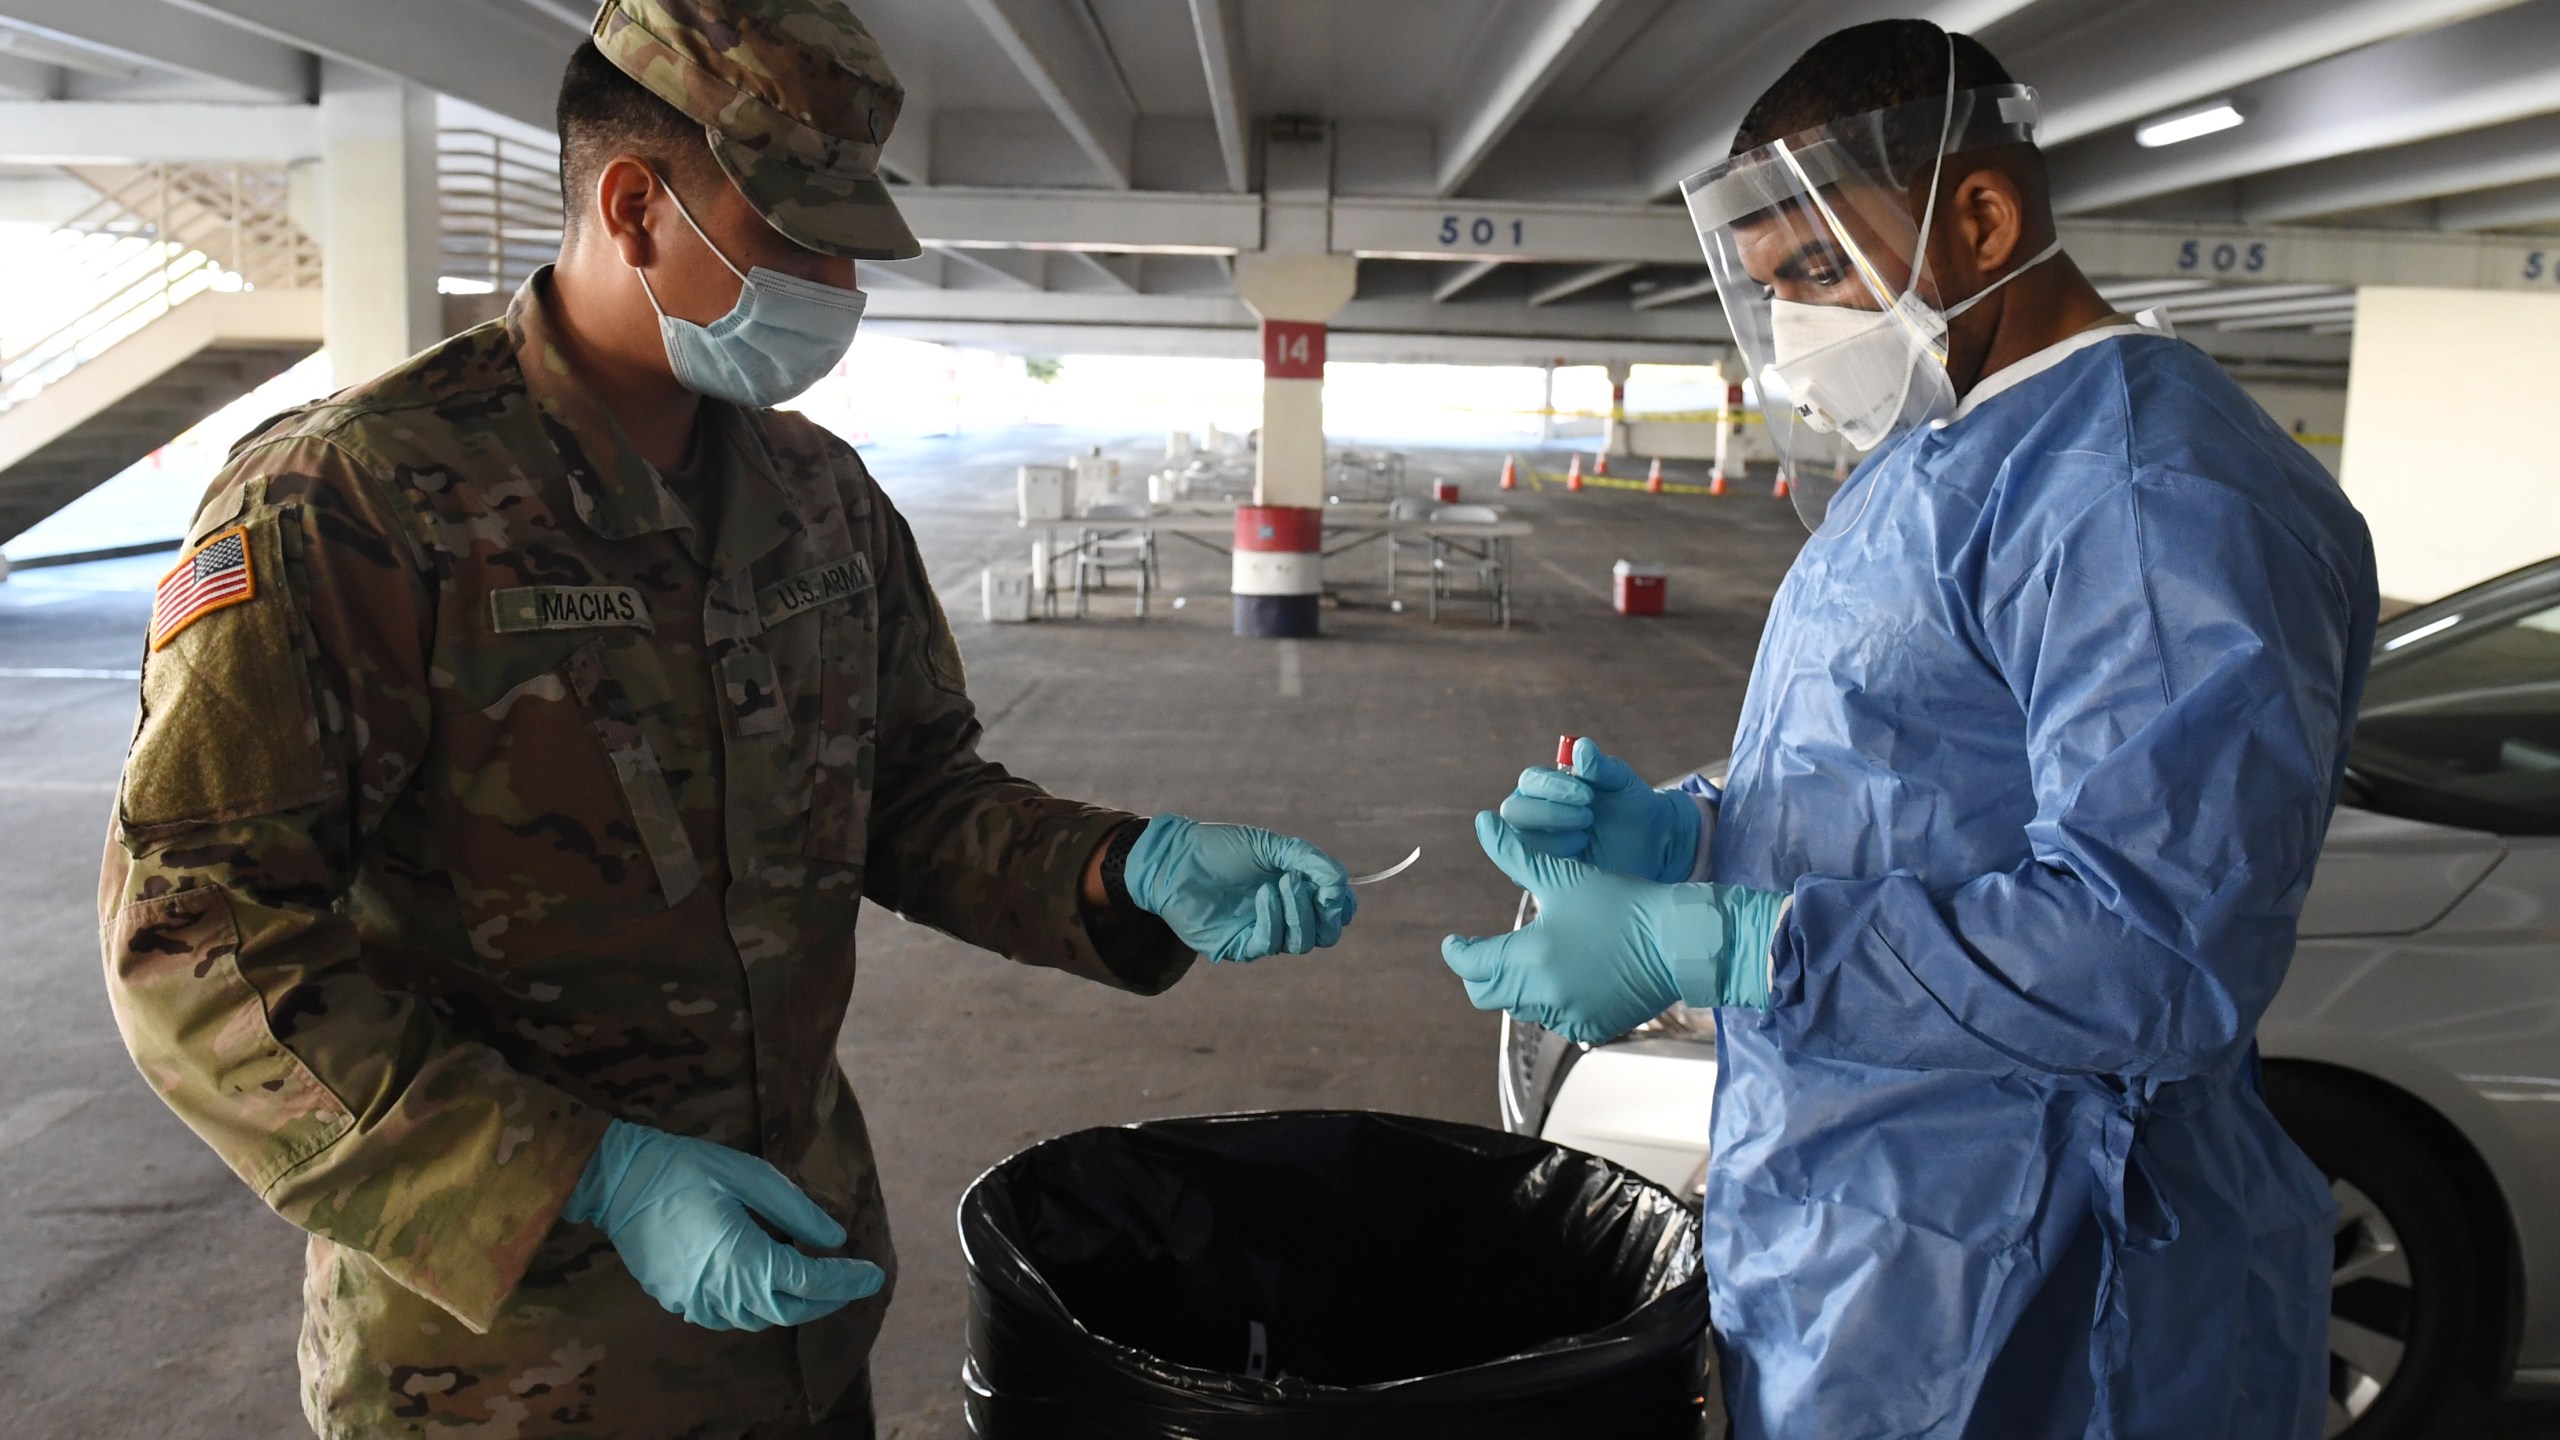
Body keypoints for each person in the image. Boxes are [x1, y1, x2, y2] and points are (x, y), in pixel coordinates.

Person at [97, 2, 1356, 1434]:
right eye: (797, 237)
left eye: (849, 247)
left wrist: (1120, 869)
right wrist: (585, 1172)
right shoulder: (359, 506)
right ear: (634, 206)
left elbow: (916, 796)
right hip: (502, 1374)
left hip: (797, 1323)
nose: (837, 285)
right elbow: (199, 945)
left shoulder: (819, 504)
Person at [1443, 20, 2375, 1439]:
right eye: (1767, 285)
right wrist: (1696, 831)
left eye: (1818, 266)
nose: (1798, 322)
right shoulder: (1946, 451)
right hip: (1880, 1251)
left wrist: (1732, 942)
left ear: (1983, 214)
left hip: (2053, 1294)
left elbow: (2158, 947)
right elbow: (1916, 771)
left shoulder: (2146, 492)